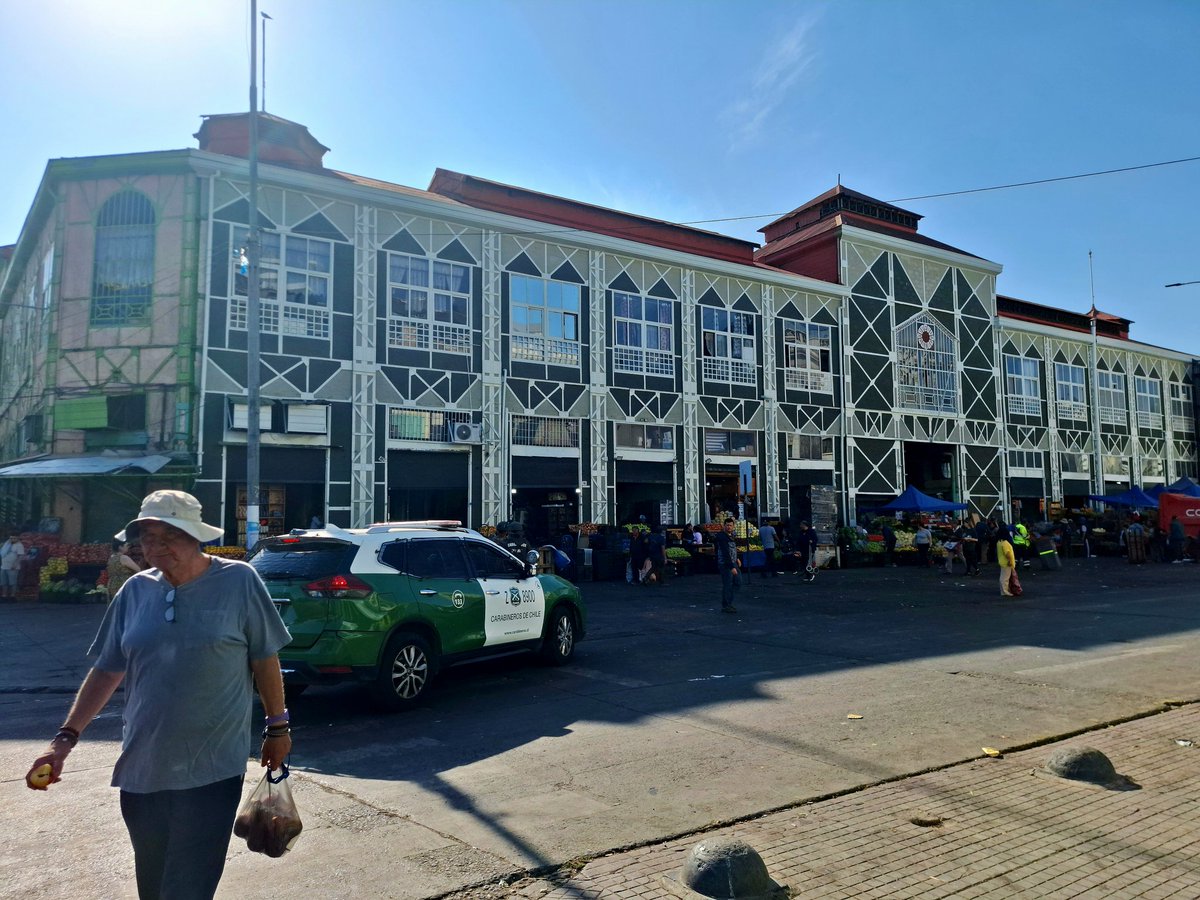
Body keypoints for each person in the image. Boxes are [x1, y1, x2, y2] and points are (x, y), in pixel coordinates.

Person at [25, 490, 292, 900]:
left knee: (186, 887)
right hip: (142, 768)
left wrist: (278, 728)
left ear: (196, 537)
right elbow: (107, 670)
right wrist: (64, 740)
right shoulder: (134, 591)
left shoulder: (239, 581)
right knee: (152, 885)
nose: (156, 546)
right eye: (148, 537)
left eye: (170, 534)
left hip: (211, 768)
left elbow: (264, 659)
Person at [712, 517, 741, 613]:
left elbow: (733, 549)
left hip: (733, 562)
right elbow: (725, 552)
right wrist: (731, 566)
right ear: (724, 526)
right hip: (725, 564)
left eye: (731, 525)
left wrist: (737, 558)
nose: (729, 527)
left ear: (733, 526)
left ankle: (728, 601)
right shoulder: (721, 536)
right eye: (727, 525)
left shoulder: (732, 536)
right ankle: (726, 605)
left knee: (738, 582)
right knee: (728, 584)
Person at [1, 530, 26, 600]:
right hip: (4, 566)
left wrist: (15, 564)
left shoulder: (19, 545)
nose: (12, 539)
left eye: (14, 538)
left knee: (12, 582)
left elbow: (20, 556)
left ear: (17, 538)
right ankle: (4, 596)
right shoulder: (7, 544)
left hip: (13, 567)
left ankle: (12, 596)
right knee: (4, 582)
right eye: (11, 538)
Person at [997, 525, 1018, 597]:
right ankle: (1005, 591)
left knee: (1003, 577)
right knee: (1005, 578)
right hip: (1007, 563)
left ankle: (1004, 590)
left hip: (1002, 562)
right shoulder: (1005, 543)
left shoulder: (999, 542)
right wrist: (1010, 561)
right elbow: (1007, 553)